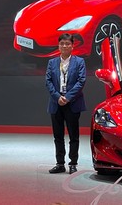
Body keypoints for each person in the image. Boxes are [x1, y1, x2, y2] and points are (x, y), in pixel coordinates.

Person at [45, 33, 86, 174]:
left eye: (67, 43)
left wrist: (67, 97)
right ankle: (60, 163)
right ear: (58, 46)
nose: (64, 46)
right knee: (58, 136)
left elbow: (81, 81)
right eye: (62, 43)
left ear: (72, 46)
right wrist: (58, 97)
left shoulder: (79, 62)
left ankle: (73, 163)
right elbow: (48, 81)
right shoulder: (52, 63)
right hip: (56, 103)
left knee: (74, 136)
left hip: (72, 103)